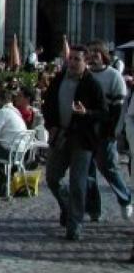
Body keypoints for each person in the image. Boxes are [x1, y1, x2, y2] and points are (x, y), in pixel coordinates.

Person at [44, 46, 107, 241]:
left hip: (81, 139)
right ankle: (67, 206)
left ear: (85, 62)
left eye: (77, 59)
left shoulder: (92, 84)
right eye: (70, 59)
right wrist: (51, 124)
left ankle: (75, 224)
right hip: (60, 135)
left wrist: (86, 113)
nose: (72, 62)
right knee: (52, 178)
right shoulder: (58, 79)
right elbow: (48, 105)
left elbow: (103, 112)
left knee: (77, 183)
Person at [83, 40, 132, 222]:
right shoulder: (85, 75)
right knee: (88, 171)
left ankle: (125, 198)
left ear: (103, 55)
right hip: (87, 131)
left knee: (108, 168)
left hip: (106, 131)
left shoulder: (113, 76)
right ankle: (93, 209)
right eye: (90, 52)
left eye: (97, 52)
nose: (93, 56)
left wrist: (113, 131)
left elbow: (119, 108)